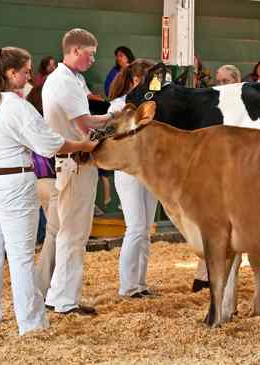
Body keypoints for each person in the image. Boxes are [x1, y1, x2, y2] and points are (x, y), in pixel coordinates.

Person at [0, 46, 97, 335]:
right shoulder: (17, 106)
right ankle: (30, 325)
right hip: (11, 182)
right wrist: (83, 145)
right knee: (20, 255)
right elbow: (52, 145)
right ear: (10, 73)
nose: (29, 75)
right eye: (25, 71)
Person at [42, 28, 114, 316]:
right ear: (74, 51)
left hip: (71, 161)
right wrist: (115, 116)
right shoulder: (64, 82)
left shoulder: (71, 79)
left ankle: (57, 294)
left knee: (67, 231)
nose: (93, 59)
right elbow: (86, 125)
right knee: (74, 233)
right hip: (76, 161)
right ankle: (64, 301)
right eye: (90, 54)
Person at [107, 59, 159, 298]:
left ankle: (140, 283)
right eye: (147, 79)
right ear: (135, 80)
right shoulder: (118, 105)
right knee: (136, 227)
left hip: (149, 169)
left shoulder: (153, 103)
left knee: (145, 228)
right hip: (128, 170)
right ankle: (127, 286)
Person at [191, 64, 242, 292]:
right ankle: (204, 274)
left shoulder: (242, 107)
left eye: (225, 81)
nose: (220, 85)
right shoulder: (214, 107)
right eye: (219, 81)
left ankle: (221, 277)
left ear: (236, 82)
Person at [25, 85, 60, 296]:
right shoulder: (48, 123)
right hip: (50, 179)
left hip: (35, 180)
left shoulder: (30, 121)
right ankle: (43, 284)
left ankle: (47, 283)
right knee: (56, 234)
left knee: (52, 233)